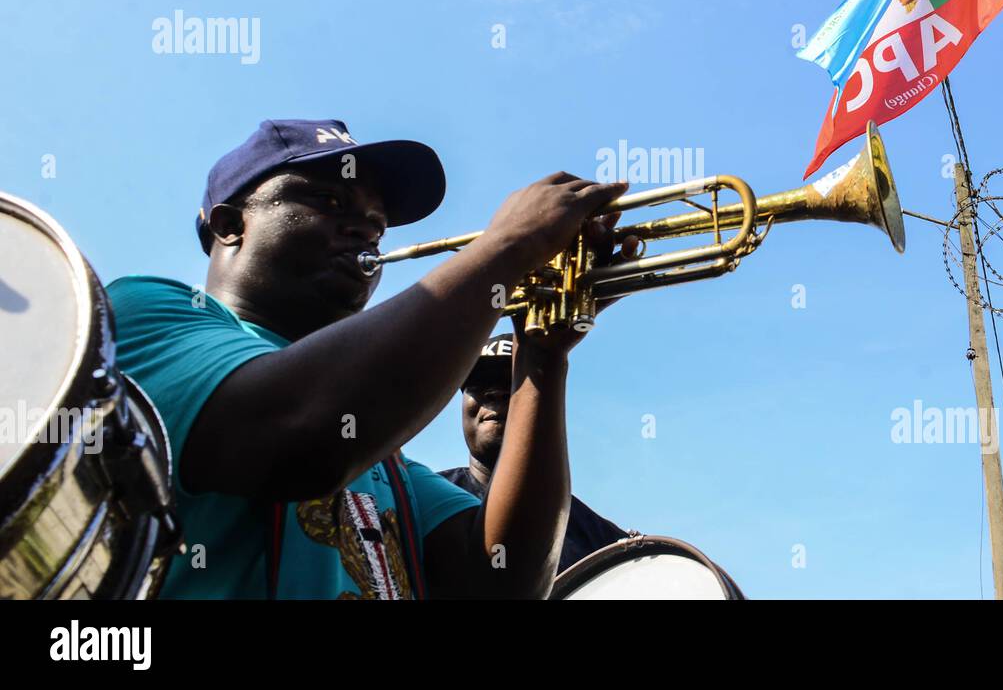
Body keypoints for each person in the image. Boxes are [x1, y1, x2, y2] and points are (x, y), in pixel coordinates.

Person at [106, 118, 628, 599]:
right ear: (229, 225)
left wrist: (541, 355)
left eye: (377, 222)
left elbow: (503, 583)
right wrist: (508, 247)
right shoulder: (145, 310)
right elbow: (299, 435)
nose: (366, 229)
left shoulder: (391, 467)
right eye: (329, 202)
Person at [440, 334, 628, 574]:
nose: (496, 393)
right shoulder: (420, 503)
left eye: (513, 384)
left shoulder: (601, 539)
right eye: (478, 385)